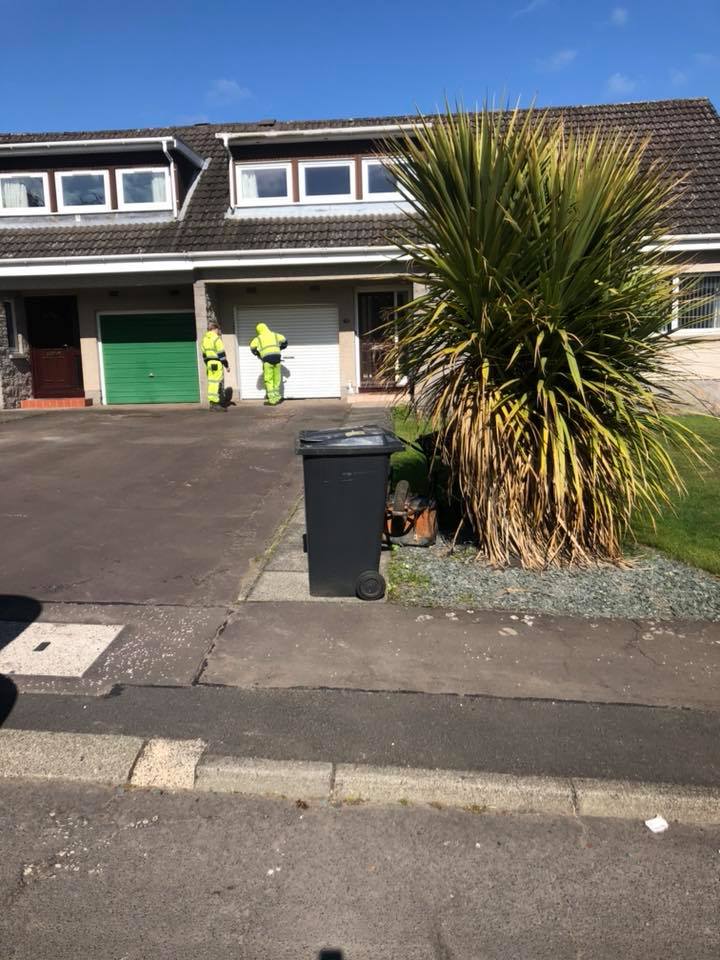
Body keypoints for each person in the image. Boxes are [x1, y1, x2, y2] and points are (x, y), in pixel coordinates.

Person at [250, 322, 288, 405]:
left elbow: (252, 348)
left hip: (267, 360)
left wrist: (258, 354)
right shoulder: (275, 335)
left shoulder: (258, 338)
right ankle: (277, 397)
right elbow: (285, 341)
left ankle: (272, 400)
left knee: (269, 379)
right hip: (277, 359)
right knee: (277, 378)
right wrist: (280, 348)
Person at [201, 322, 229, 411]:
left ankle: (212, 404)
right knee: (216, 383)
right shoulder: (216, 339)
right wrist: (226, 365)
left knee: (211, 383)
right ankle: (216, 404)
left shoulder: (204, 339)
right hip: (216, 363)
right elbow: (221, 354)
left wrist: (207, 363)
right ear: (215, 329)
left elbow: (204, 354)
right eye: (218, 330)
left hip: (209, 363)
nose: (218, 332)